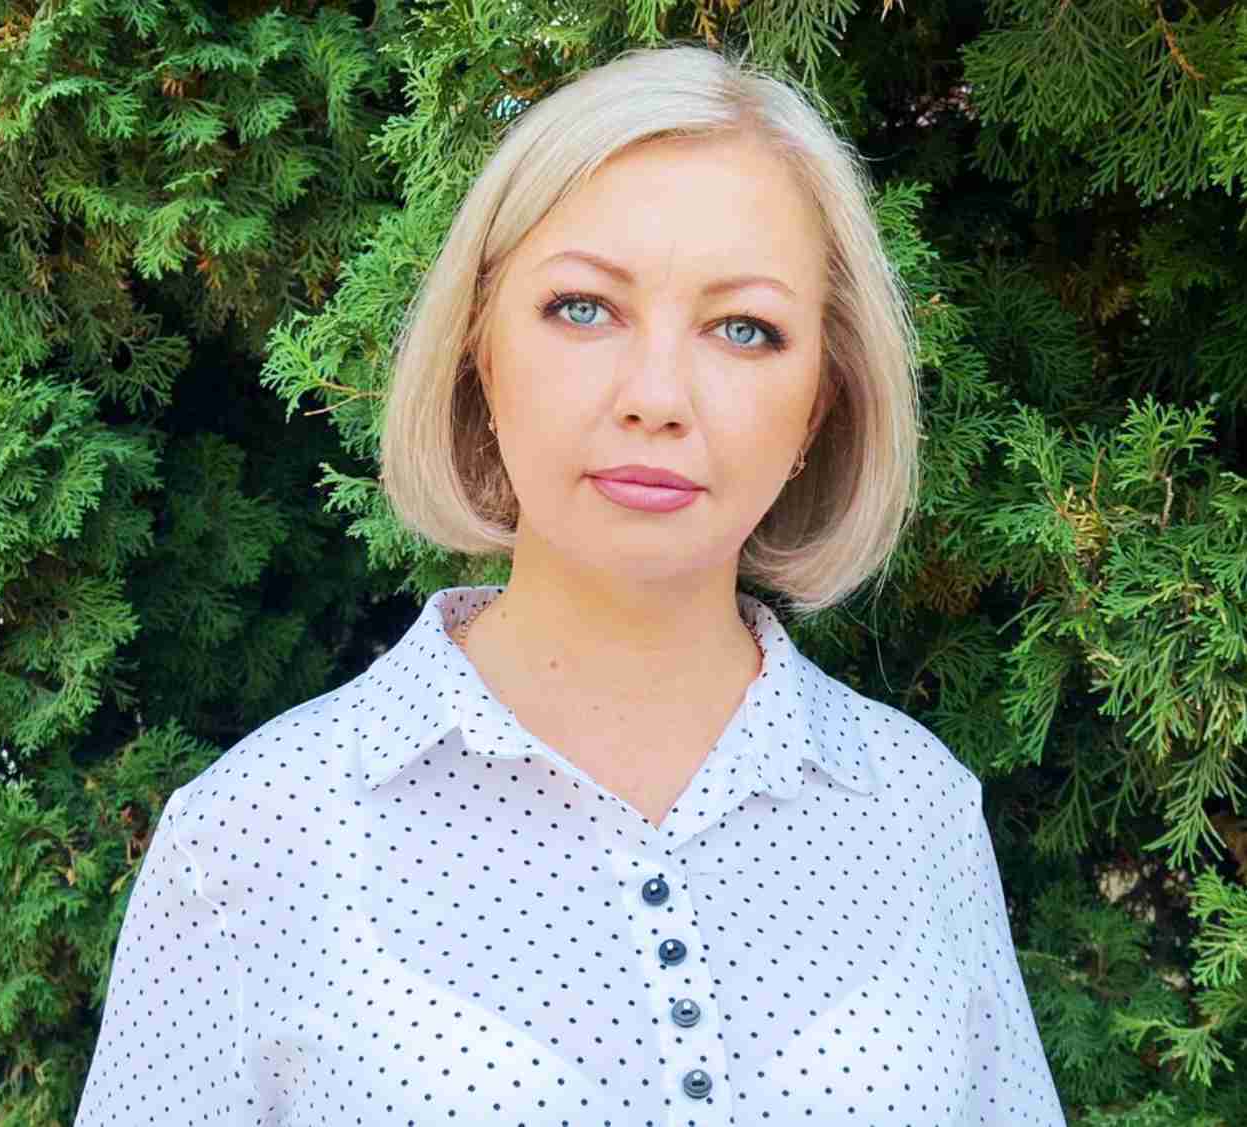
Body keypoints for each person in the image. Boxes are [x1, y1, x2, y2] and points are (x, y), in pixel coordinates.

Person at [74, 41, 1067, 1127]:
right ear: (480, 350)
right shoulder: (257, 829)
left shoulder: (914, 807)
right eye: (585, 308)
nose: (657, 395)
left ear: (816, 408)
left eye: (744, 329)